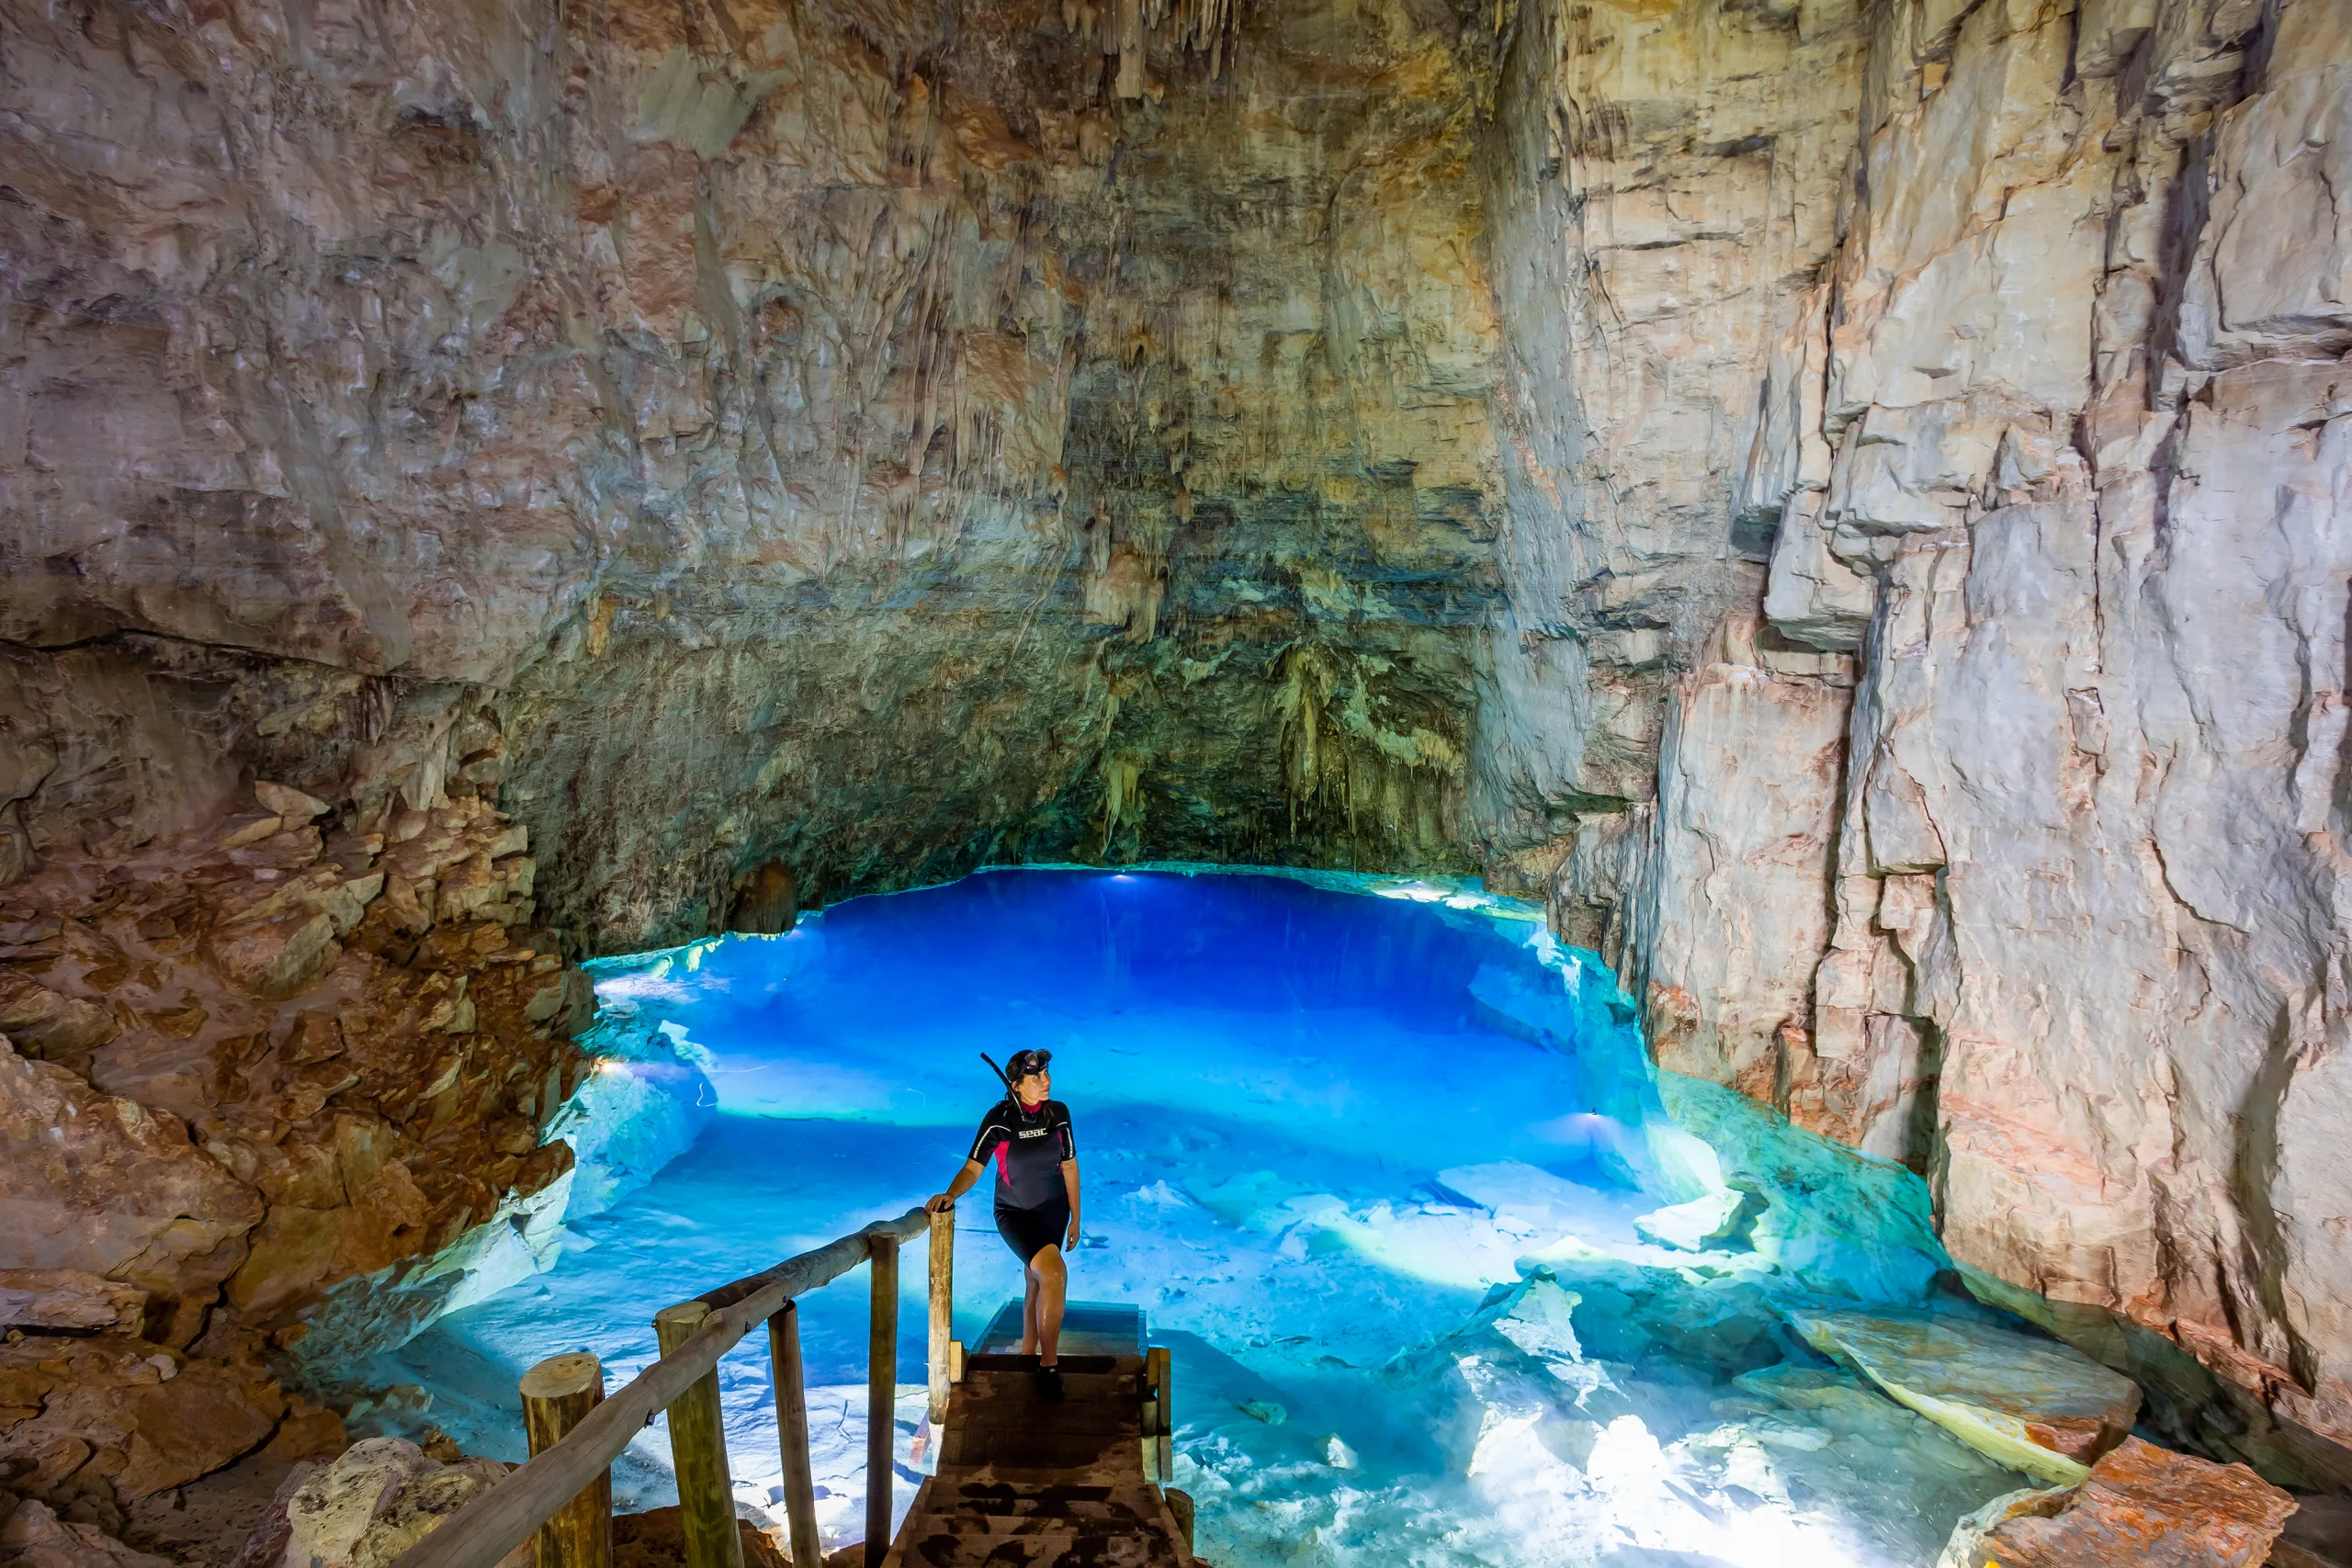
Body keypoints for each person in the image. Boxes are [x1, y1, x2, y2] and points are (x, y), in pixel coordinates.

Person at [926, 1048, 1080, 1400]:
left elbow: (1070, 1166)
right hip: (1015, 1213)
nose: (1046, 1081)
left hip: (1054, 1211)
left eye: (1046, 1074)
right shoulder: (999, 1119)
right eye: (1036, 1077)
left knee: (1036, 1280)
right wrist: (951, 1195)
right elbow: (972, 1168)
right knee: (1053, 1273)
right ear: (1016, 1084)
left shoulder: (1059, 1113)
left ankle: (1028, 1351)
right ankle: (1049, 1366)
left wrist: (1076, 1217)